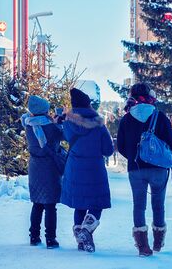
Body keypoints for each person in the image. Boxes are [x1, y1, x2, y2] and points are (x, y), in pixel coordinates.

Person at [117, 83, 172, 257]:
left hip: (135, 169)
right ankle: (158, 241)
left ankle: (143, 246)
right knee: (158, 205)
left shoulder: (127, 119)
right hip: (159, 169)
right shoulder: (160, 116)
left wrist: (135, 157)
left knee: (139, 205)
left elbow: (120, 146)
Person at [61, 88, 114, 253]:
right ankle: (86, 230)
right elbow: (108, 150)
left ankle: (81, 240)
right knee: (97, 203)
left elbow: (64, 139)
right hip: (95, 169)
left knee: (79, 204)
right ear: (88, 104)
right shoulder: (98, 123)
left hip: (74, 168)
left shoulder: (67, 123)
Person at [21, 95, 64, 249]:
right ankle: (51, 239)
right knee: (50, 205)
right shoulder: (49, 126)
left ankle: (34, 236)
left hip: (35, 167)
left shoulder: (28, 124)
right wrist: (59, 120)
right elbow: (63, 135)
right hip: (49, 168)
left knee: (37, 204)